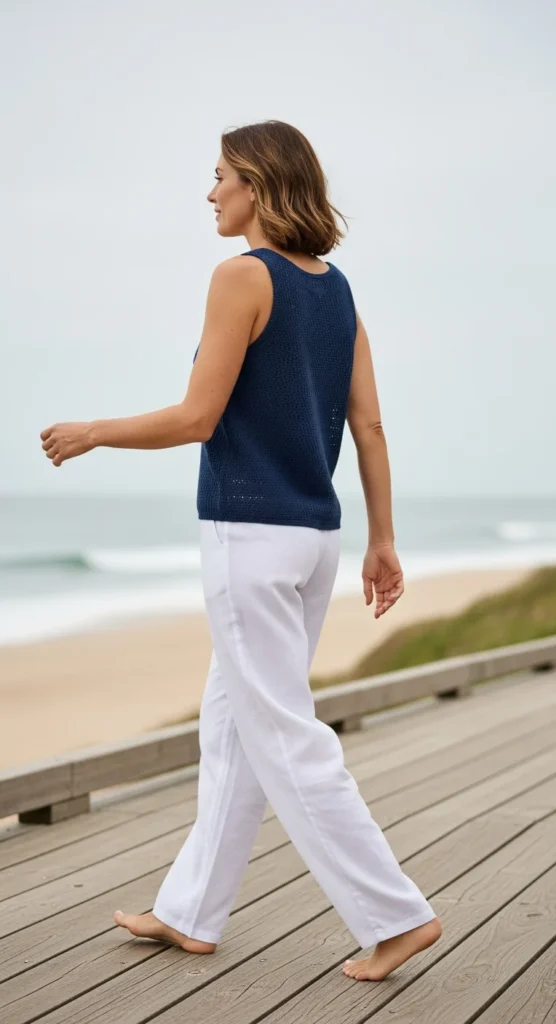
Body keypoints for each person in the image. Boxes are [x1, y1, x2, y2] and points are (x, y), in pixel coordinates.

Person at [40, 120, 441, 982]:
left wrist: (92, 432)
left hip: (248, 537)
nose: (210, 191)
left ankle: (394, 914)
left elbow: (197, 417)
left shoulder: (239, 277)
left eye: (220, 175)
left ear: (257, 184)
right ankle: (190, 912)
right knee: (232, 730)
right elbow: (366, 426)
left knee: (284, 735)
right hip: (315, 541)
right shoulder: (336, 291)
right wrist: (384, 540)